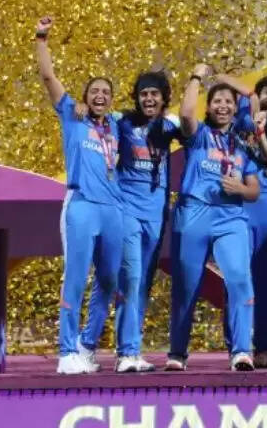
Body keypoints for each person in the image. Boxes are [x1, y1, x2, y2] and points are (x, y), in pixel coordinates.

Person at [33, 16, 123, 376]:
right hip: (81, 205)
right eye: (94, 91)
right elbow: (48, 77)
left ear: (111, 100)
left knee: (109, 281)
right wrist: (41, 37)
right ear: (85, 97)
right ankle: (66, 350)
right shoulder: (73, 115)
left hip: (113, 209)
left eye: (106, 92)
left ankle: (86, 346)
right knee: (76, 277)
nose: (100, 96)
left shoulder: (116, 125)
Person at [79, 70, 180, 373]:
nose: (148, 99)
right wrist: (82, 107)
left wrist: (196, 80)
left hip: (155, 215)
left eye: (154, 94)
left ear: (163, 98)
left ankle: (111, 348)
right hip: (126, 212)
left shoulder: (168, 126)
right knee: (130, 278)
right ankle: (125, 352)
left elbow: (188, 119)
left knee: (138, 282)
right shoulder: (122, 122)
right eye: (143, 94)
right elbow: (96, 117)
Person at [166, 65, 261, 372]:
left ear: (235, 109)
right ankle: (178, 352)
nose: (223, 105)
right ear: (208, 107)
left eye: (228, 102)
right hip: (194, 213)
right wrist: (196, 77)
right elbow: (185, 114)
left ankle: (241, 351)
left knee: (239, 278)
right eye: (217, 101)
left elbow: (254, 190)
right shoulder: (199, 135)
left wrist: (240, 189)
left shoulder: (242, 145)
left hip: (230, 217)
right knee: (187, 286)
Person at [216, 74, 267, 369]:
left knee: (265, 281)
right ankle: (237, 345)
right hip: (237, 208)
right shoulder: (240, 122)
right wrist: (231, 83)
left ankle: (263, 346)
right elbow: (236, 93)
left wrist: (261, 131)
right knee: (236, 277)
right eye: (266, 92)